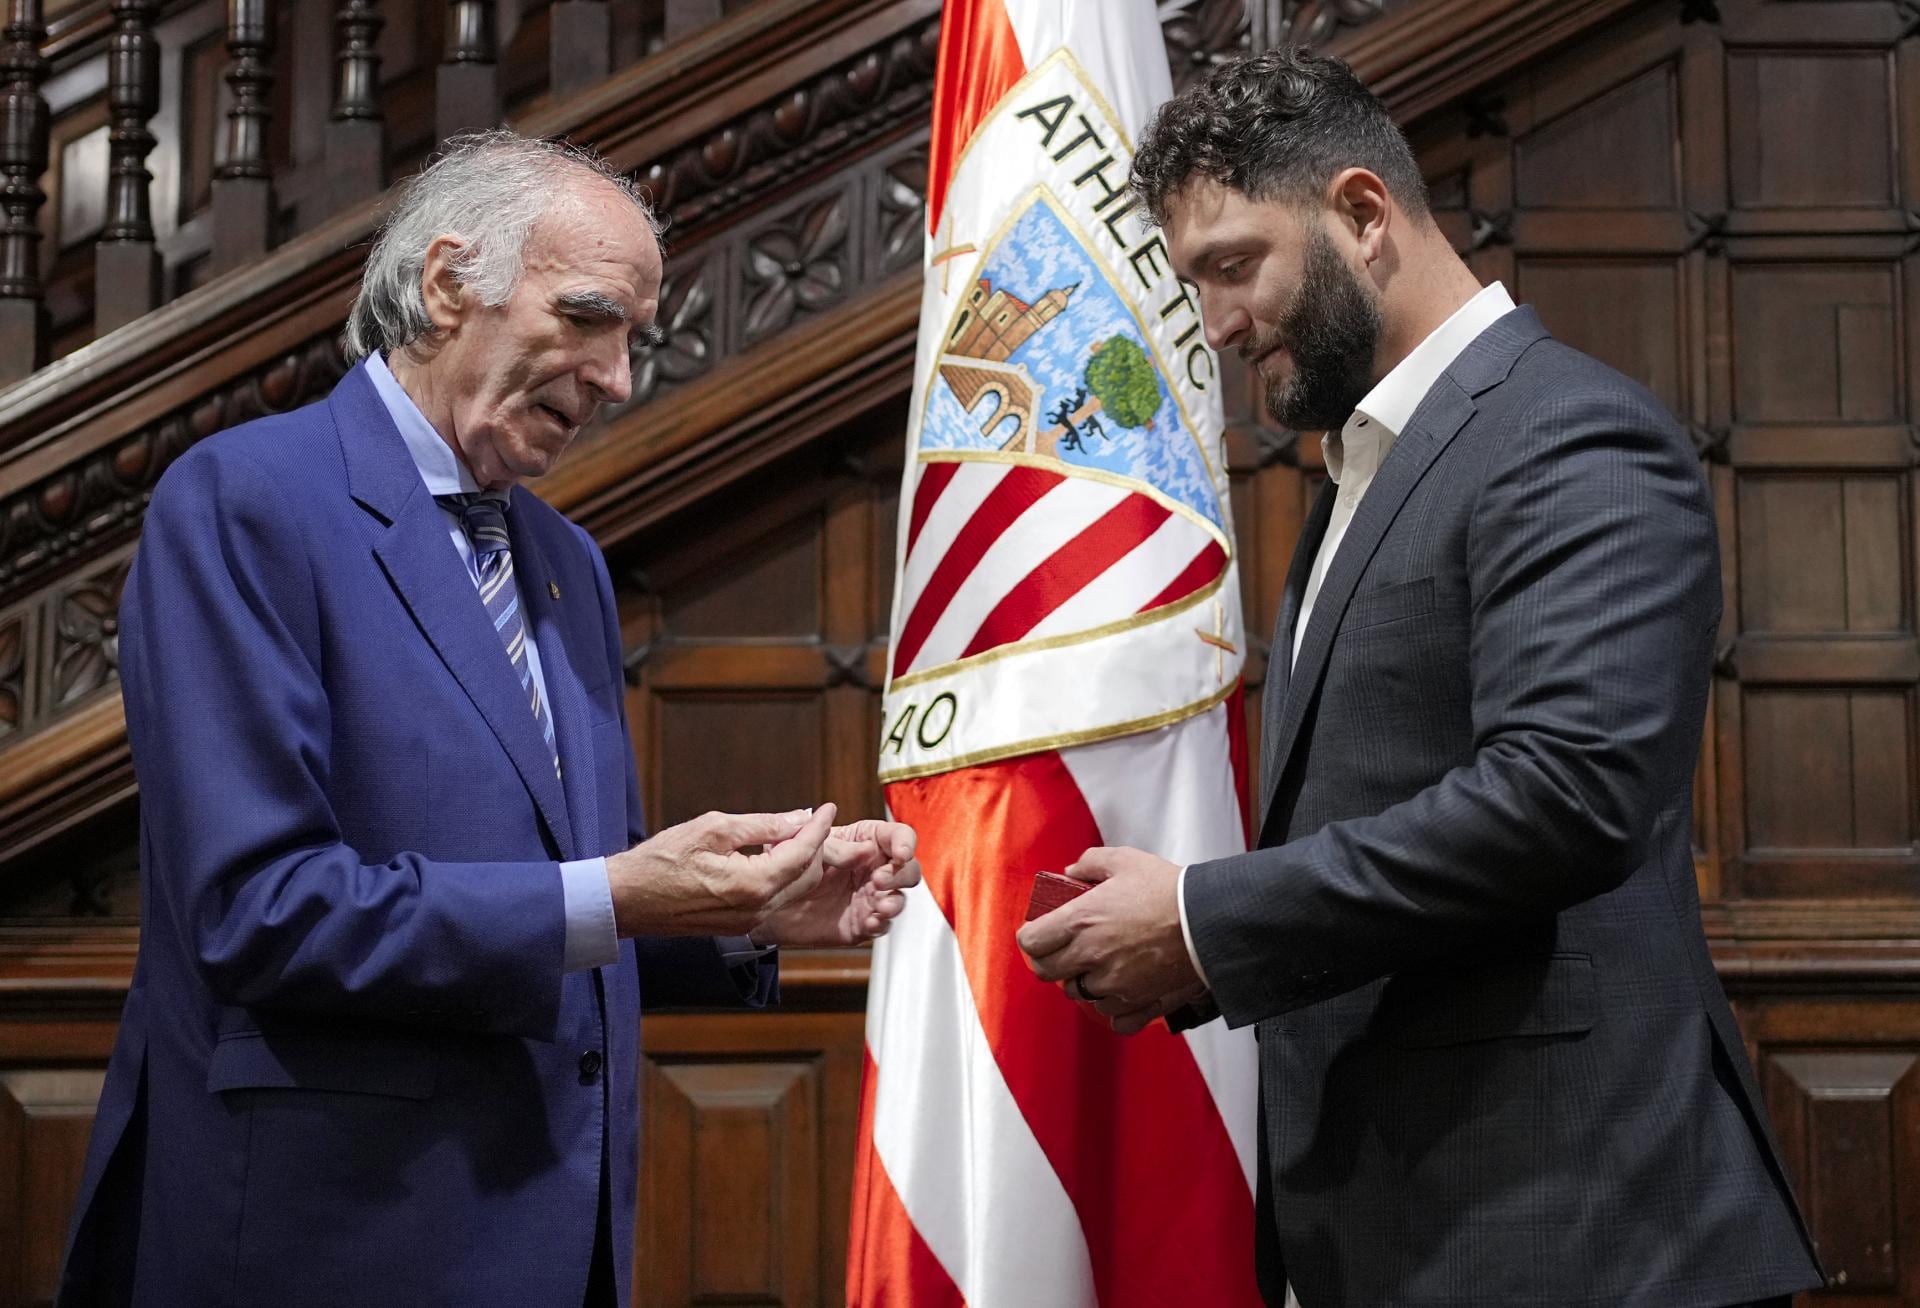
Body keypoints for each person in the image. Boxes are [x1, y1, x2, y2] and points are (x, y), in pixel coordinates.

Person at [58, 131, 920, 1307]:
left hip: (548, 1239)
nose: (618, 378)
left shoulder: (565, 560)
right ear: (445, 280)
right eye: (587, 317)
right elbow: (258, 912)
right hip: (332, 1241)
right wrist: (622, 892)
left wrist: (746, 917)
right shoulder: (249, 501)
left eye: (634, 338)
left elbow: (553, 902)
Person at [1017, 50, 1822, 1308]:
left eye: (1236, 266)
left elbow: (1567, 797)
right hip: (1417, 1229)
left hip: (1576, 1236)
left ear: (1361, 214)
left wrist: (1202, 920)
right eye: (1197, 284)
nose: (1218, 326)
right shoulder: (1359, 469)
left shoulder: (1566, 431)